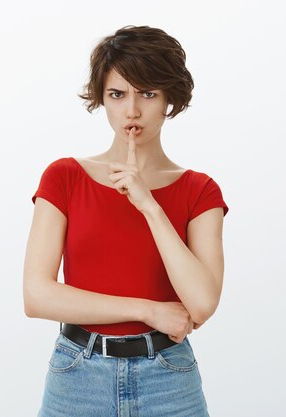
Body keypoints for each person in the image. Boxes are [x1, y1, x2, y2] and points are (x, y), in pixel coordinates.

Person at [23, 25, 229, 416]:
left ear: (170, 98)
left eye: (147, 94)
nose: (132, 111)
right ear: (102, 99)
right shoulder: (64, 177)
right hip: (77, 377)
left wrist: (149, 205)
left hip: (168, 378)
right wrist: (148, 310)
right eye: (118, 95)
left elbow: (201, 304)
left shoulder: (199, 190)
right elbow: (37, 296)